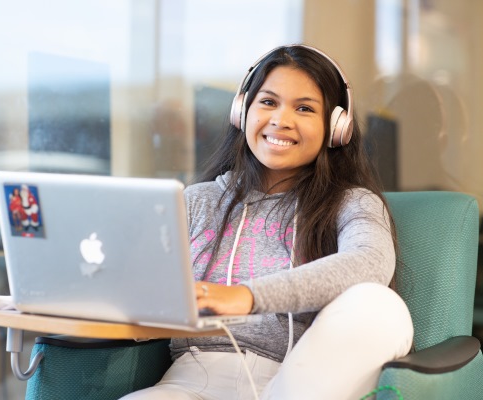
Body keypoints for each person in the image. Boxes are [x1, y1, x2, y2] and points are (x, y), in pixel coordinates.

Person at [121, 44, 414, 400]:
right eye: (268, 102)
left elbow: (370, 264)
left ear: (336, 127)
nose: (280, 120)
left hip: (298, 382)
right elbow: (132, 287)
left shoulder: (352, 203)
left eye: (304, 108)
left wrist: (247, 297)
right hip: (189, 380)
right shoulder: (195, 201)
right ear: (242, 111)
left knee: (380, 306)